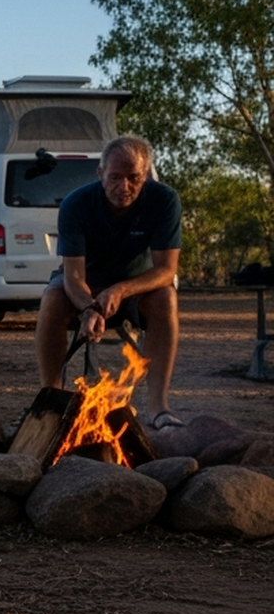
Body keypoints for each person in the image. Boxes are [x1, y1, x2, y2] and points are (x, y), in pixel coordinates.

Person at [33, 134, 183, 430]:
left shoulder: (164, 200)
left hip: (136, 287)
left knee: (166, 297)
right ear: (100, 173)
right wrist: (89, 307)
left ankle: (158, 407)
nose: (124, 187)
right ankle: (52, 401)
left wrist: (120, 290)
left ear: (146, 174)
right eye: (115, 177)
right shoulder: (76, 204)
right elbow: (73, 276)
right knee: (52, 298)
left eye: (134, 178)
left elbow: (166, 270)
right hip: (84, 285)